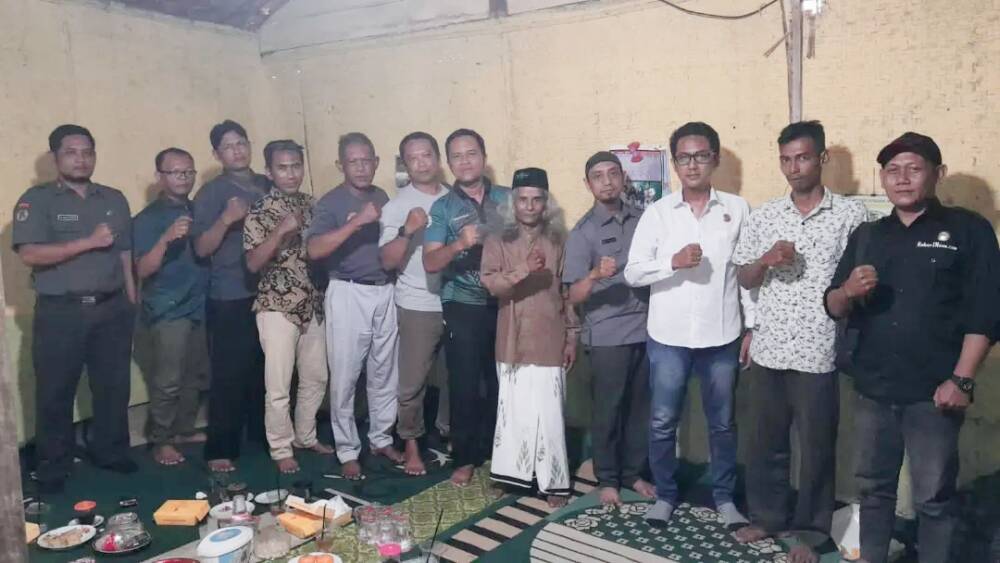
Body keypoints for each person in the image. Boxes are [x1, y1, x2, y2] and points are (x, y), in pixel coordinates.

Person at [825, 132, 999, 563]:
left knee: (933, 498)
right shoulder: (868, 234)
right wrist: (847, 291)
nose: (902, 178)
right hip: (873, 389)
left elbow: (987, 312)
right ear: (883, 178)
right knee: (873, 491)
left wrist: (962, 380)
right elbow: (832, 304)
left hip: (935, 393)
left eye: (913, 168)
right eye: (892, 170)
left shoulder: (968, 230)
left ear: (938, 174)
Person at [731, 121, 869, 562]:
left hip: (819, 351)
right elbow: (745, 277)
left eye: (803, 157)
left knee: (816, 448)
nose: (794, 167)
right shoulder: (765, 215)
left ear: (821, 159)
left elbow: (859, 282)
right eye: (786, 160)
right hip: (769, 348)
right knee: (764, 443)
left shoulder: (851, 216)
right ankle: (767, 517)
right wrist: (766, 260)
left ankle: (811, 531)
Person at [624, 122, 754, 527]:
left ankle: (725, 499)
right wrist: (672, 262)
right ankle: (665, 495)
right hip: (669, 337)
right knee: (663, 422)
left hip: (722, 335)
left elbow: (746, 274)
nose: (692, 165)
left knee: (723, 423)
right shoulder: (658, 213)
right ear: (675, 163)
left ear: (715, 159)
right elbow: (632, 272)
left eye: (700, 156)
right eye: (684, 157)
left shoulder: (738, 209)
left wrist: (753, 327)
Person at [14, 124, 137, 492]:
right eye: (71, 152)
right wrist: (89, 242)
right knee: (55, 392)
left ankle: (112, 452)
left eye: (87, 152)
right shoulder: (37, 200)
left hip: (111, 309)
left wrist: (131, 299)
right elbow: (30, 254)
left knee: (113, 387)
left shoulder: (113, 198)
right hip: (61, 312)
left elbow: (125, 252)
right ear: (55, 158)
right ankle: (53, 466)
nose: (81, 159)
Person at [481, 167, 579, 508]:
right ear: (513, 203)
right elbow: (492, 284)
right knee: (513, 411)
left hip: (551, 336)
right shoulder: (497, 241)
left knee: (550, 413)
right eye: (523, 199)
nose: (529, 206)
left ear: (546, 203)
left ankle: (554, 483)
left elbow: (568, 293)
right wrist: (524, 269)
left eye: (537, 199)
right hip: (512, 338)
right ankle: (511, 476)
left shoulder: (559, 241)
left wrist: (572, 337)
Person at [307, 132, 403, 479]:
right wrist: (356, 222)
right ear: (341, 165)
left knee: (385, 371)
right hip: (348, 292)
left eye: (367, 161)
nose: (361, 167)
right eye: (353, 161)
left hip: (384, 289)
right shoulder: (330, 203)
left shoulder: (382, 196)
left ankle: (381, 438)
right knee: (346, 375)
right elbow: (314, 250)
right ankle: (347, 449)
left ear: (376, 163)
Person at [563, 151, 654, 506]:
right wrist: (594, 274)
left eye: (613, 174)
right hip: (606, 336)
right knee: (609, 410)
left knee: (640, 409)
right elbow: (573, 294)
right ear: (588, 184)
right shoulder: (582, 232)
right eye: (598, 176)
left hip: (646, 328)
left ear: (623, 178)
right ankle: (608, 479)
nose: (607, 182)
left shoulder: (644, 219)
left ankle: (633, 473)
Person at [423, 128, 511, 487]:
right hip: (463, 303)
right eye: (457, 156)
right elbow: (430, 262)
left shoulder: (508, 197)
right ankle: (465, 457)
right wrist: (459, 243)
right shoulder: (442, 208)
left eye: (471, 153)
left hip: (507, 302)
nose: (465, 161)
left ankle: (501, 452)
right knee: (464, 383)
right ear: (449, 163)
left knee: (503, 381)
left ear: (484, 157)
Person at [244, 140, 333, 474]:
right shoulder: (260, 210)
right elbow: (253, 263)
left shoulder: (313, 204)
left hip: (313, 302)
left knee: (316, 377)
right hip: (276, 305)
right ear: (269, 172)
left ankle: (306, 436)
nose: (291, 173)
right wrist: (280, 232)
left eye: (296, 165)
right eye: (282, 167)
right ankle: (281, 447)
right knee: (279, 386)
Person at [192, 119, 269, 472]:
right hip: (230, 293)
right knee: (229, 372)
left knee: (267, 370)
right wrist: (225, 219)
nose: (237, 151)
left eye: (241, 143)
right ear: (216, 154)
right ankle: (220, 448)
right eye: (228, 146)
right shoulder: (212, 193)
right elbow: (201, 249)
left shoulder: (266, 184)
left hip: (271, 291)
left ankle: (264, 436)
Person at [379, 132, 450, 476]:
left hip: (456, 299)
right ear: (405, 165)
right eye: (413, 158)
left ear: (438, 158)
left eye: (427, 155)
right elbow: (387, 261)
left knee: (457, 377)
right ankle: (411, 445)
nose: (422, 163)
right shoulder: (397, 205)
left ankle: (450, 435)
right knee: (412, 382)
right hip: (418, 303)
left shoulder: (454, 199)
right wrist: (407, 230)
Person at [133, 147, 210, 466]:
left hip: (199, 304)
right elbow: (142, 269)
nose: (184, 178)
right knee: (168, 380)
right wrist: (165, 239)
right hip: (168, 308)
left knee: (195, 375)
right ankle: (161, 440)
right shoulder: (147, 219)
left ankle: (183, 430)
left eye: (189, 172)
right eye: (177, 172)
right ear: (159, 176)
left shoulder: (198, 209)